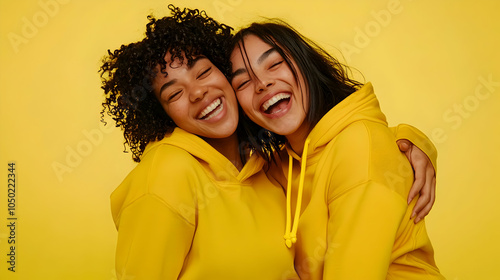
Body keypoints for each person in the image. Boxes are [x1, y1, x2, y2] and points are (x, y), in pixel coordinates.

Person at [100, 5, 437, 279]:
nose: (198, 91)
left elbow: (358, 151)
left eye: (204, 72)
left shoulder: (275, 164)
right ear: (161, 115)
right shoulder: (175, 172)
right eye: (173, 93)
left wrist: (405, 142)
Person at [230, 20, 444, 279]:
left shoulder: (359, 147)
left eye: (274, 64)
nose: (262, 84)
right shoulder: (279, 168)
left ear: (305, 63)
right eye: (242, 83)